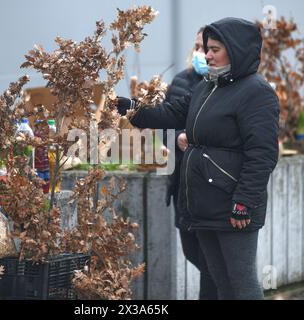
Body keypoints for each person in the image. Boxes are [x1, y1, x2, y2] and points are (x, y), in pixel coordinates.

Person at [117, 18, 280, 300]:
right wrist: (129, 108)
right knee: (220, 281)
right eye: (207, 48)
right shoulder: (207, 87)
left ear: (236, 50)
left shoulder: (257, 92)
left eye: (215, 49)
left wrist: (243, 202)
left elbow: (262, 154)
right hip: (203, 203)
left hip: (233, 206)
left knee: (241, 284)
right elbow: (169, 113)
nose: (207, 55)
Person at [163, 26, 218, 300]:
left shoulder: (226, 86)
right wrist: (176, 140)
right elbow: (166, 125)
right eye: (197, 47)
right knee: (192, 252)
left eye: (207, 48)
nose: (201, 53)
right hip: (183, 186)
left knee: (211, 264)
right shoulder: (181, 81)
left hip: (210, 186)